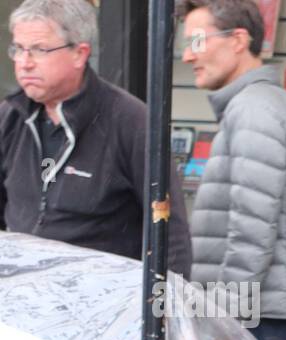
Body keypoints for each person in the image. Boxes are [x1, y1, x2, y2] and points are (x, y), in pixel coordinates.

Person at [181, 0, 286, 340]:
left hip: (261, 320)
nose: (187, 56)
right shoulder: (269, 105)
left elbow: (250, 233)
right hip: (272, 314)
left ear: (238, 40)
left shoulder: (254, 112)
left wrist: (225, 326)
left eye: (197, 42)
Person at [0, 0, 192, 275]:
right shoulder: (10, 117)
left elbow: (170, 233)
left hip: (106, 303)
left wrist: (162, 309)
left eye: (39, 50)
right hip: (25, 301)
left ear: (80, 54)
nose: (24, 63)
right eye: (18, 48)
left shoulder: (131, 121)